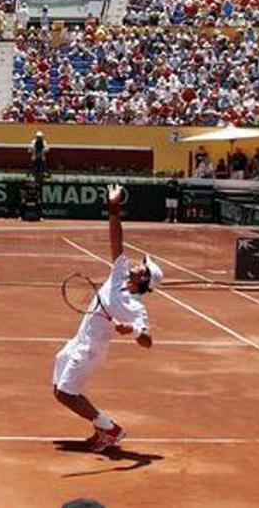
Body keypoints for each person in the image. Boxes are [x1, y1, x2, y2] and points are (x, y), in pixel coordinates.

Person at [53, 185, 162, 453]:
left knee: (67, 394)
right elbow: (116, 238)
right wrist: (114, 207)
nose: (136, 264)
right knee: (59, 391)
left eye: (142, 266)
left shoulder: (136, 308)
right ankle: (103, 428)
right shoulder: (119, 273)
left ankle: (110, 429)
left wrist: (134, 331)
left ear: (144, 278)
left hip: (91, 349)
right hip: (80, 340)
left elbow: (148, 341)